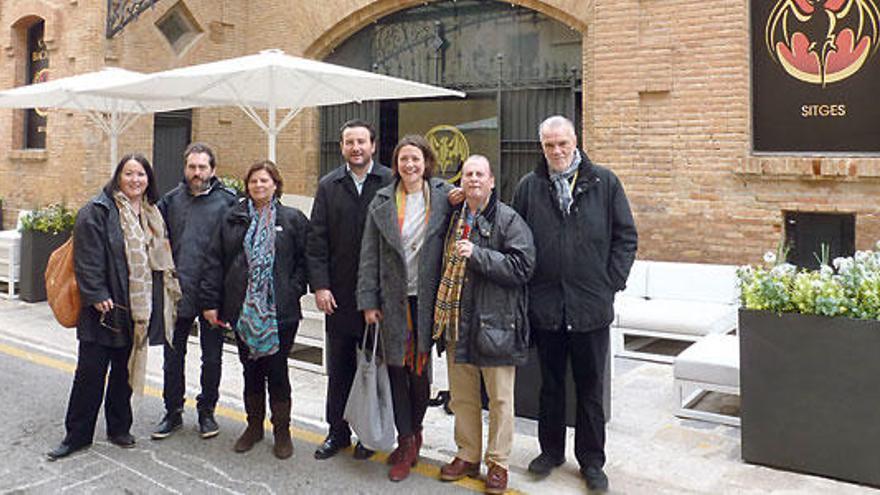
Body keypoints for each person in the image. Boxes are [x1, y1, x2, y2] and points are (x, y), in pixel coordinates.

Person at [512, 116, 637, 493]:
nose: (557, 151)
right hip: (547, 308)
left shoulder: (605, 182)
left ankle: (592, 461)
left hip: (590, 308)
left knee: (590, 389)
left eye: (563, 144)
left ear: (575, 141)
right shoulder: (529, 187)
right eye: (549, 145)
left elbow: (626, 237)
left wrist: (610, 283)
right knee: (550, 387)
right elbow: (514, 237)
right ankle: (550, 452)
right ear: (542, 147)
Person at [47, 154, 180, 460]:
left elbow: (155, 261)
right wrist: (95, 293)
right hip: (104, 310)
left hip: (137, 308)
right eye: (129, 174)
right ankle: (77, 435)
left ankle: (119, 428)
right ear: (118, 177)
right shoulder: (97, 210)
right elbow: (86, 256)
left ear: (149, 179)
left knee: (124, 371)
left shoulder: (151, 213)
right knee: (90, 374)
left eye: (141, 175)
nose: (135, 180)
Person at [435, 155, 535, 495]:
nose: (473, 179)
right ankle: (467, 455)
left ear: (492, 181)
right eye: (467, 175)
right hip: (456, 322)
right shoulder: (453, 216)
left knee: (500, 401)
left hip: (497, 324)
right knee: (462, 398)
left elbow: (523, 267)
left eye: (480, 174)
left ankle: (498, 463)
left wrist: (478, 254)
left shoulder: (508, 219)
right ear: (460, 182)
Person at [357, 134, 454, 482]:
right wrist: (368, 301)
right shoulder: (382, 201)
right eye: (403, 159)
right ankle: (405, 440)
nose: (409, 165)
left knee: (420, 372)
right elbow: (368, 255)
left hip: (427, 300)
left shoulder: (444, 197)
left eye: (415, 159)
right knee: (397, 371)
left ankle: (415, 433)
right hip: (393, 300)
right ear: (396, 164)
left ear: (426, 161)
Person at [200, 160, 309, 460]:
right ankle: (253, 427)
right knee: (250, 371)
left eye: (265, 181)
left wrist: (293, 287)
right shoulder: (232, 219)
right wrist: (210, 302)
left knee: (277, 371)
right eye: (253, 182)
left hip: (281, 312)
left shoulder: (293, 219)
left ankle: (283, 431)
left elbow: (305, 260)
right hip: (242, 310)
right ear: (247, 186)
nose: (259, 186)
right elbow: (214, 261)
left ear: (275, 184)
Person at [307, 120, 392, 460]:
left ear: (373, 145)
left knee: (373, 368)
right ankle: (337, 432)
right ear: (342, 147)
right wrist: (320, 286)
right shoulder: (329, 185)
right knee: (340, 368)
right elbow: (316, 241)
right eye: (349, 142)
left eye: (361, 141)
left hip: (378, 297)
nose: (356, 148)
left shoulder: (389, 181)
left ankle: (368, 434)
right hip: (339, 296)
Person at [152, 142, 237, 440]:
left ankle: (207, 412)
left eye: (202, 167)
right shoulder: (170, 201)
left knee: (212, 357)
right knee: (172, 357)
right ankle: (173, 412)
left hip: (214, 297)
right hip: (178, 294)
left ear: (213, 170)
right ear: (185, 168)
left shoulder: (229, 202)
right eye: (192, 167)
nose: (197, 172)